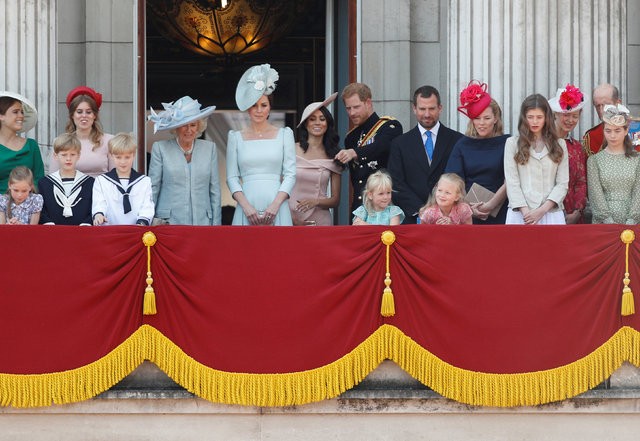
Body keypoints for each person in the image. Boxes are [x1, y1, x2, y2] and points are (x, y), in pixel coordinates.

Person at [226, 63, 296, 226]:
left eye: (263, 105)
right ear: (247, 109)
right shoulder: (235, 137)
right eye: (254, 105)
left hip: (278, 206)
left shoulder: (285, 135)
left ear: (270, 108)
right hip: (246, 206)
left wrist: (276, 205)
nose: (259, 110)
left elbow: (290, 174)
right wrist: (246, 207)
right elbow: (231, 177)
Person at [387, 85, 463, 223]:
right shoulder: (399, 144)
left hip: (449, 220)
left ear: (440, 108)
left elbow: (461, 178)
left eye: (432, 108)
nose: (427, 114)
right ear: (414, 109)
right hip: (412, 218)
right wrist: (422, 210)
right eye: (422, 109)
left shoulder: (457, 140)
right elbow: (396, 183)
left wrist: (444, 210)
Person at [147, 96, 221, 225]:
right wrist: (149, 221)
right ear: (176, 127)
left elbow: (214, 191)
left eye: (193, 125)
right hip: (169, 223)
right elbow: (153, 188)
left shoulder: (210, 149)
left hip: (202, 222)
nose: (189, 130)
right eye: (184, 126)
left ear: (199, 127)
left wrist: (216, 226)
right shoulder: (160, 148)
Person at [445, 80, 509, 224]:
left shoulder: (508, 143)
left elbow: (512, 180)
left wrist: (491, 205)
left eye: (486, 118)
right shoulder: (462, 145)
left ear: (496, 119)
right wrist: (467, 208)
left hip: (501, 212)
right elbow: (452, 180)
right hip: (468, 213)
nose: (481, 123)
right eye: (477, 118)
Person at [335, 83, 402, 213]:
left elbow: (382, 146)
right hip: (360, 206)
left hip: (384, 207)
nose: (352, 113)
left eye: (356, 107)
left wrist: (355, 152)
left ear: (368, 102)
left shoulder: (389, 127)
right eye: (348, 108)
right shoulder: (351, 137)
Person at [504, 94, 569, 225]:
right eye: (530, 117)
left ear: (547, 118)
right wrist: (526, 212)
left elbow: (562, 183)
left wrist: (542, 210)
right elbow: (512, 182)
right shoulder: (512, 144)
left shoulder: (560, 144)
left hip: (551, 213)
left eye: (539, 117)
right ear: (524, 118)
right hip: (520, 214)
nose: (534, 122)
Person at [289, 93, 343, 225]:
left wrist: (316, 201)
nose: (317, 123)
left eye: (322, 119)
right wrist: (292, 220)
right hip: (290, 219)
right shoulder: (291, 149)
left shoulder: (335, 155)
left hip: (320, 220)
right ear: (306, 124)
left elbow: (336, 200)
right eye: (312, 119)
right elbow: (279, 189)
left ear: (327, 123)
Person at [587, 104, 640, 224]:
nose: (612, 135)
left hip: (634, 223)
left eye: (617, 130)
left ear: (626, 130)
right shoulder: (594, 160)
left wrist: (632, 220)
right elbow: (595, 195)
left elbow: (638, 192)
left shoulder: (637, 159)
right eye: (608, 131)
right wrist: (608, 222)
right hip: (603, 225)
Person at [92, 132, 154, 226]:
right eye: (118, 157)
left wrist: (142, 221)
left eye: (127, 157)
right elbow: (99, 203)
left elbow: (147, 206)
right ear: (112, 156)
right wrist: (99, 214)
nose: (123, 162)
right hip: (110, 230)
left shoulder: (144, 181)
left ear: (133, 155)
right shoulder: (101, 181)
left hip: (136, 230)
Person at [51, 86, 114, 177]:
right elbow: (53, 177)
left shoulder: (109, 141)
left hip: (102, 189)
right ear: (72, 115)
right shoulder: (60, 142)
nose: (84, 116)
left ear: (94, 115)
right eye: (79, 112)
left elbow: (116, 176)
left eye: (88, 112)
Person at [548, 85, 588, 224]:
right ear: (556, 114)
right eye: (566, 115)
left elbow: (581, 183)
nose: (570, 120)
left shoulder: (577, 147)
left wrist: (577, 212)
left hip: (573, 213)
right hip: (547, 211)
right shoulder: (543, 143)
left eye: (575, 116)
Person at [39, 133, 94, 225]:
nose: (68, 158)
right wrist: (48, 223)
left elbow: (94, 208)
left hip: (83, 233)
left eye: (72, 154)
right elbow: (41, 209)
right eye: (64, 155)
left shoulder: (89, 183)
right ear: (55, 156)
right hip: (53, 233)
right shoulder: (45, 183)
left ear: (78, 156)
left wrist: (86, 223)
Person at [0, 91, 44, 193]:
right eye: (15, 112)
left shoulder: (31, 145)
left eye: (22, 112)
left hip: (29, 205)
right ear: (1, 116)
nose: (21, 116)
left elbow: (39, 179)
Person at [583, 83, 621, 156]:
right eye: (598, 106)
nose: (601, 111)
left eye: (605, 105)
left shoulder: (636, 131)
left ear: (617, 103)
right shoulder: (591, 137)